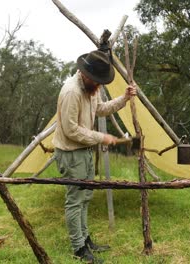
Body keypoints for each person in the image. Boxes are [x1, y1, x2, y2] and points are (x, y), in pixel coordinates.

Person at [52, 50, 137, 263]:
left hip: (84, 151)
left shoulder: (92, 88)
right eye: (97, 81)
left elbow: (100, 109)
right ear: (85, 74)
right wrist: (101, 137)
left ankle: (85, 239)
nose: (99, 86)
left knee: (86, 197)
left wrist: (124, 99)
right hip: (70, 154)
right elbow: (71, 130)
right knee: (75, 201)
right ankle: (78, 249)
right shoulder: (71, 92)